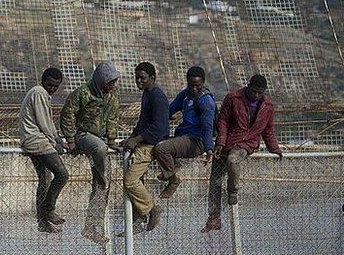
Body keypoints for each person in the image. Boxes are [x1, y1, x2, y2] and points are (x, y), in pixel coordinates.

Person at [202, 74, 282, 233]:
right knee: (215, 180)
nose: (257, 95)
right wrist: (221, 142)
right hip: (228, 141)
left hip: (247, 143)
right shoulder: (233, 98)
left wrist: (274, 148)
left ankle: (233, 189)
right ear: (248, 86)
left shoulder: (267, 106)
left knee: (233, 160)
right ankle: (214, 217)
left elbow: (268, 129)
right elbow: (223, 121)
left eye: (260, 92)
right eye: (254, 91)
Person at [60, 61, 120, 244]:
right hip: (83, 135)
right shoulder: (83, 93)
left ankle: (92, 227)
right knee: (100, 150)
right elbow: (68, 113)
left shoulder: (111, 98)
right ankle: (101, 173)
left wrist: (112, 140)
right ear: (101, 80)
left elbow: (112, 119)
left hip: (100, 141)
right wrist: (70, 139)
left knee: (103, 185)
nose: (112, 86)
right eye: (109, 82)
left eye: (113, 82)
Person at [153, 66, 216, 199]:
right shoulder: (185, 94)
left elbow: (207, 126)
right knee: (155, 141)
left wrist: (209, 148)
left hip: (196, 140)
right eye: (191, 85)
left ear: (203, 83)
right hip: (183, 136)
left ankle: (172, 178)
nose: (194, 89)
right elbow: (170, 109)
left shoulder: (206, 101)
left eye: (197, 86)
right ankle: (171, 170)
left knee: (161, 148)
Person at [121, 62, 169, 234]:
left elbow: (160, 127)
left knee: (130, 181)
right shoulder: (147, 94)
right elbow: (143, 121)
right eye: (137, 78)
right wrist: (132, 138)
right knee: (136, 180)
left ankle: (152, 208)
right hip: (143, 142)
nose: (138, 81)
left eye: (142, 78)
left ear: (152, 78)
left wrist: (138, 139)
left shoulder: (157, 97)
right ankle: (139, 219)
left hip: (150, 145)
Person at [19, 68, 68, 233]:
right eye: (50, 85)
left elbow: (48, 123)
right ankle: (48, 210)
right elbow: (44, 124)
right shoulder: (39, 92)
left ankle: (42, 222)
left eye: (56, 86)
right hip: (36, 141)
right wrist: (56, 143)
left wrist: (59, 139)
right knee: (62, 174)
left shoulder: (43, 94)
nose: (52, 89)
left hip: (38, 140)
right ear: (43, 81)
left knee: (45, 179)